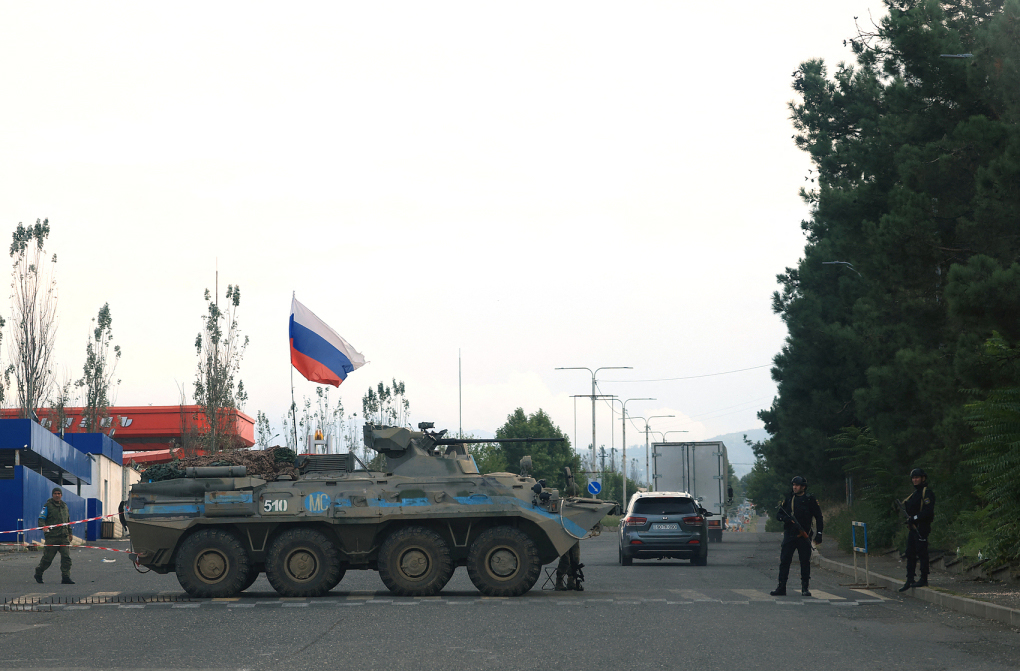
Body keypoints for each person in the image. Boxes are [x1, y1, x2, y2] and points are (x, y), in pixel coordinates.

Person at [770, 476, 823, 597]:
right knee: (785, 561)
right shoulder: (789, 499)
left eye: (797, 485)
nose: (794, 487)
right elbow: (778, 515)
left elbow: (819, 517)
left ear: (803, 487)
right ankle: (781, 587)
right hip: (790, 535)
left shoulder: (810, 500)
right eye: (793, 485)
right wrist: (785, 519)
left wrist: (819, 533)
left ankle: (805, 588)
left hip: (804, 535)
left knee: (805, 562)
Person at [899, 468, 935, 592]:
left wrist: (914, 518)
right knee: (910, 553)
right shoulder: (914, 494)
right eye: (913, 478)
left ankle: (923, 578)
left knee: (922, 553)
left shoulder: (927, 493)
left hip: (922, 527)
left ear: (923, 478)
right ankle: (910, 579)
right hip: (913, 528)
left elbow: (928, 511)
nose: (915, 480)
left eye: (917, 478)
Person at [34, 487, 74, 585]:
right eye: (55, 493)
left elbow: (67, 520)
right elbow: (41, 518)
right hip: (52, 537)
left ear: (61, 495)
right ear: (52, 495)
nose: (57, 495)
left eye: (59, 493)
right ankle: (39, 572)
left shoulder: (64, 506)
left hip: (63, 537)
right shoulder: (47, 506)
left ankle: (66, 577)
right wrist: (43, 527)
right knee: (47, 559)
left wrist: (70, 532)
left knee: (66, 558)